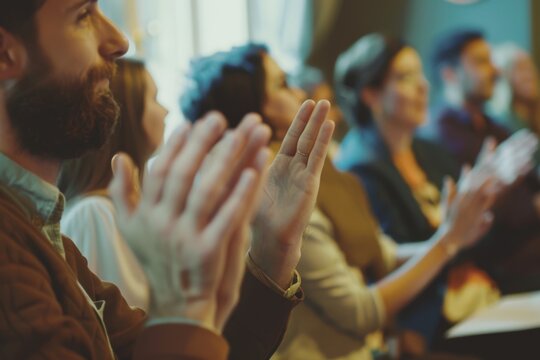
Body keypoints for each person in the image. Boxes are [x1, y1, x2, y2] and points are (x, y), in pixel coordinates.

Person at [0, 1, 334, 359]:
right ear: (5, 55)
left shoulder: (42, 230)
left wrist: (273, 248)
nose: (119, 40)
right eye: (83, 15)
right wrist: (181, 300)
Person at [179, 43, 536, 359]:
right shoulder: (275, 198)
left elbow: (384, 251)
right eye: (282, 84)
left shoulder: (334, 175)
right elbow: (360, 311)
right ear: (256, 111)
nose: (297, 90)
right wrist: (447, 241)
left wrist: (452, 235)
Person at [422, 28, 540, 292]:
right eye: (481, 62)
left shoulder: (494, 127)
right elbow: (481, 218)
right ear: (449, 74)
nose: (495, 71)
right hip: (500, 265)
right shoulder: (438, 136)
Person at [489, 43, 540, 136]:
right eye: (522, 69)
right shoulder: (500, 123)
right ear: (504, 76)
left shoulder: (532, 116)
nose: (529, 75)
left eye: (530, 67)